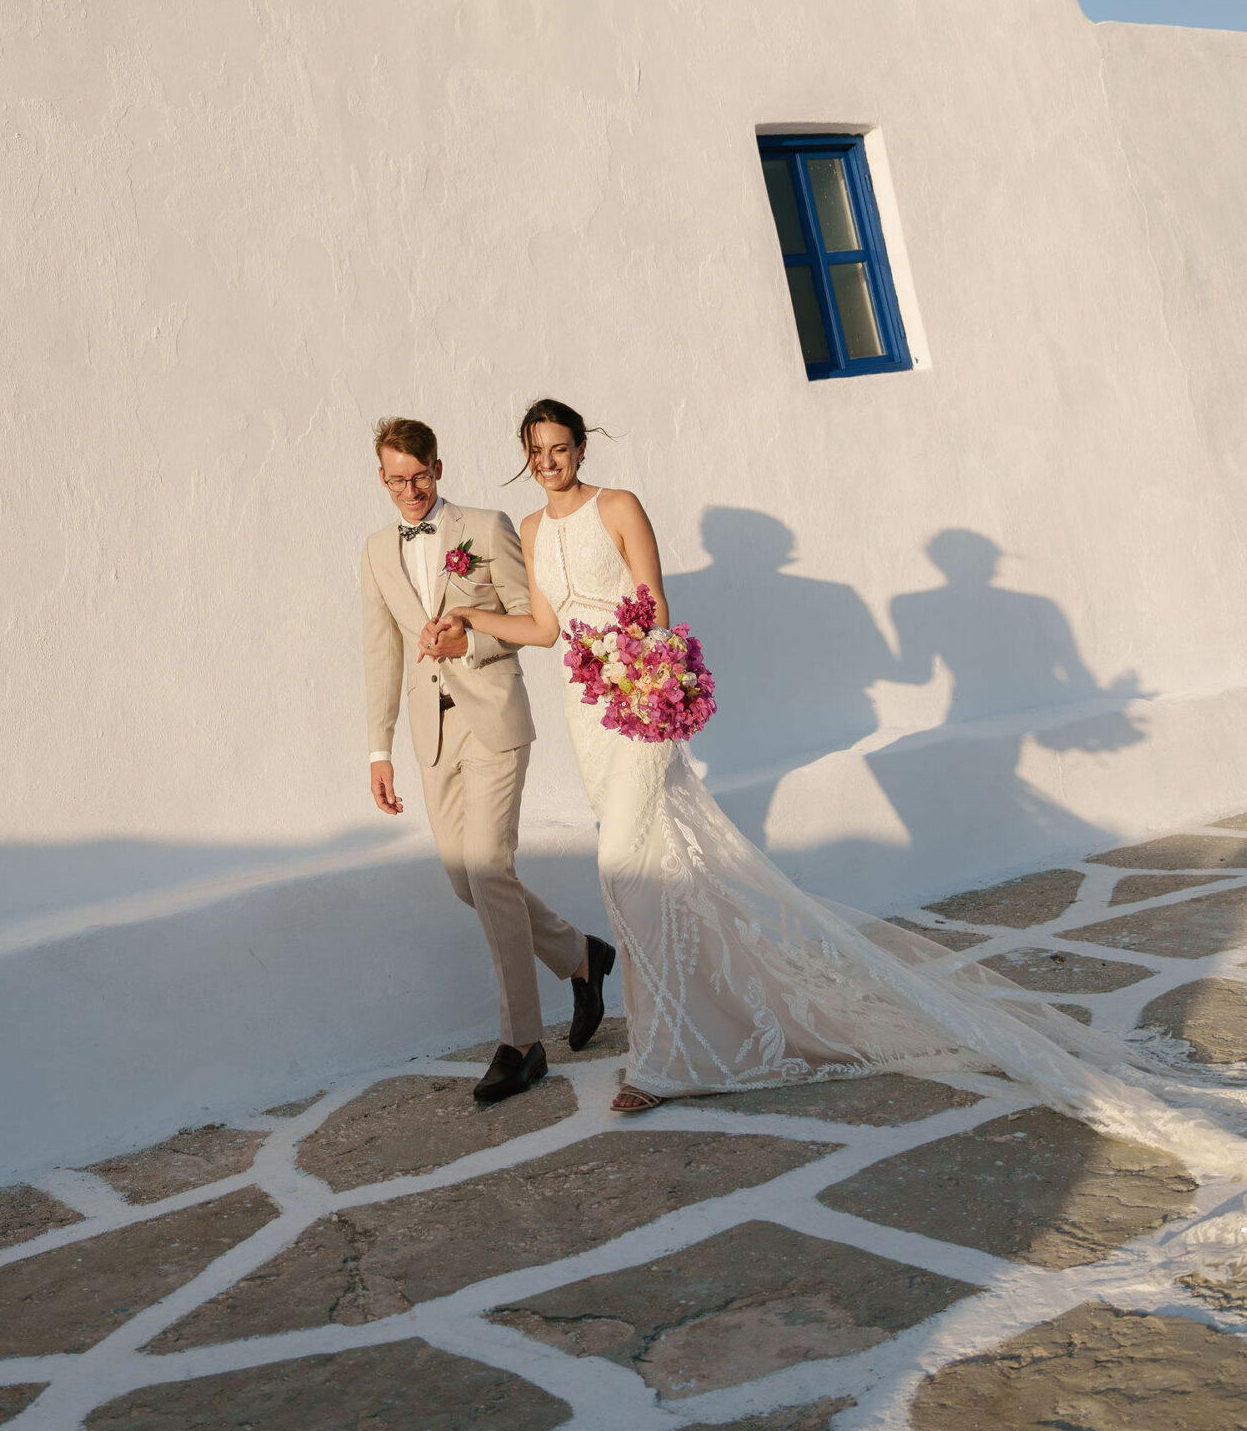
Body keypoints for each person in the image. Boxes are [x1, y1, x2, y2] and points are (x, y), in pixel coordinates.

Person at [458, 397, 1247, 1177]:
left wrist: (652, 678)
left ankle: (661, 1060)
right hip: (587, 707)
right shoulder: (530, 529)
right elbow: (545, 627)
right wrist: (471, 620)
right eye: (536, 452)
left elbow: (654, 605)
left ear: (581, 449)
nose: (549, 463)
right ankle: (685, 1030)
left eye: (560, 448)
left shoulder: (618, 506)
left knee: (623, 871)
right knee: (655, 876)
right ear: (525, 455)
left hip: (639, 702)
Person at [362, 413, 615, 1105]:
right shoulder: (377, 551)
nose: (408, 491)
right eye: (394, 481)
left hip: (493, 722)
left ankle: (521, 1042)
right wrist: (378, 748)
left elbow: (530, 623)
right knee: (464, 879)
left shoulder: (484, 525)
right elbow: (380, 652)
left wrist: (467, 642)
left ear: (437, 470)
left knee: (490, 869)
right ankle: (580, 957)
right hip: (429, 735)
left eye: (418, 477)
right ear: (380, 481)